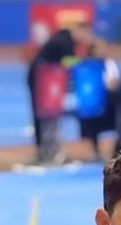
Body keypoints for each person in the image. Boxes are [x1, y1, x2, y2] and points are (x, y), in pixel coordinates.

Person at [26, 21, 94, 164]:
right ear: (80, 31)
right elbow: (69, 63)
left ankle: (50, 151)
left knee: (50, 114)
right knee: (43, 114)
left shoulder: (65, 39)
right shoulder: (63, 41)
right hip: (41, 80)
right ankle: (44, 151)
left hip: (49, 81)